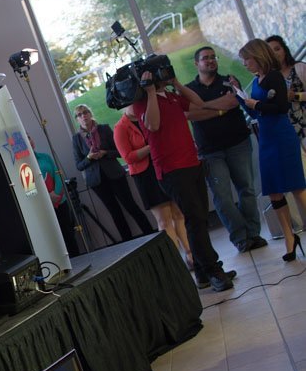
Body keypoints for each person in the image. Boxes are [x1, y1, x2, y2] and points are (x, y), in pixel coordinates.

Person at [133, 68, 239, 291]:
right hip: (172, 170)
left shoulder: (171, 96)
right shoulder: (142, 103)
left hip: (192, 163)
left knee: (199, 218)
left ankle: (202, 273)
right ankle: (212, 270)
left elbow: (199, 103)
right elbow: (153, 125)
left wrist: (177, 83)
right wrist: (150, 91)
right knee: (195, 218)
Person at [231, 39, 306, 262]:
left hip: (281, 136)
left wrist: (257, 105)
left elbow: (281, 107)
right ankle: (288, 236)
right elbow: (256, 113)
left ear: (257, 56)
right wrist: (240, 97)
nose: (245, 64)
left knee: (296, 185)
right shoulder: (257, 80)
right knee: (274, 190)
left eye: (247, 59)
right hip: (267, 138)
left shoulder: (274, 76)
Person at [185, 46, 265, 253]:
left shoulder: (229, 81)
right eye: (205, 58)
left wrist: (204, 106)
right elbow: (190, 114)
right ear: (197, 63)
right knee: (223, 198)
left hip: (238, 143)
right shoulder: (189, 90)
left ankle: (253, 234)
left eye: (213, 57)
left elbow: (232, 102)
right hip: (210, 151)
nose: (210, 61)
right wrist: (218, 108)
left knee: (246, 189)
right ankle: (240, 237)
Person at [114, 105, 192, 267]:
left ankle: (191, 255)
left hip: (165, 167)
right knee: (164, 221)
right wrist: (151, 147)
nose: (135, 106)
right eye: (131, 103)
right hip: (146, 175)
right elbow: (128, 157)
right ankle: (175, 262)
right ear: (124, 106)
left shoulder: (148, 118)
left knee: (179, 213)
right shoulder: (121, 127)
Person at [72, 104, 153, 242]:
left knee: (130, 205)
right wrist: (89, 158)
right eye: (79, 115)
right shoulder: (76, 139)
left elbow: (120, 152)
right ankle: (128, 244)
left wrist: (105, 153)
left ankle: (151, 235)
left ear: (90, 114)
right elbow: (79, 165)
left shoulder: (104, 129)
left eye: (85, 112)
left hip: (115, 174)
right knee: (114, 212)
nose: (83, 116)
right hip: (96, 182)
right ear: (77, 119)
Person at [31, 137, 80, 256]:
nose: (29, 141)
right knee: (53, 238)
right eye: (25, 138)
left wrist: (56, 195)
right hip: (43, 207)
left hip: (60, 201)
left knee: (68, 233)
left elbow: (58, 176)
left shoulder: (45, 157)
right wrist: (47, 197)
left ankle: (78, 259)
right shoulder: (22, 165)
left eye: (29, 137)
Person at [266, 35, 306, 173]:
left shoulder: (299, 68)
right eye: (271, 52)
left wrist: (295, 96)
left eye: (277, 49)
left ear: (284, 49)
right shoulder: (269, 78)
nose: (276, 54)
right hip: (287, 132)